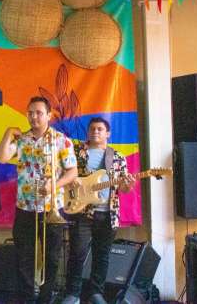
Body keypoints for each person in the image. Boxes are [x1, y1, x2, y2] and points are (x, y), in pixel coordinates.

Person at [0, 96, 77, 304]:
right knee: (24, 256)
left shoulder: (61, 140)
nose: (34, 117)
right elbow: (2, 157)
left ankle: (45, 298)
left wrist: (54, 185)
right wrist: (8, 133)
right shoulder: (22, 139)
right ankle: (26, 298)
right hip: (25, 207)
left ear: (49, 115)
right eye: (30, 113)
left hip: (52, 208)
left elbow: (72, 172)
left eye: (39, 113)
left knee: (52, 257)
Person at [61, 117, 136, 304]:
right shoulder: (76, 151)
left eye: (100, 129)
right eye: (92, 128)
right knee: (77, 254)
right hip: (80, 211)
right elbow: (62, 173)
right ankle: (72, 294)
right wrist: (72, 181)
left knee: (102, 256)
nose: (95, 131)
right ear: (88, 132)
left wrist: (128, 185)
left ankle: (96, 293)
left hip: (108, 214)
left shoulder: (117, 157)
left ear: (107, 133)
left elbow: (123, 188)